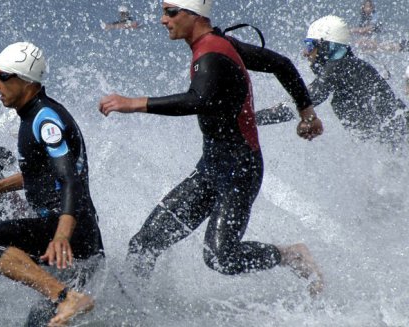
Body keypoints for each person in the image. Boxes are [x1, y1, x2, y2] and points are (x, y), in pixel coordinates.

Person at [98, 0, 324, 295]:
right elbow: (281, 63)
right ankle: (133, 309)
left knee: (220, 257)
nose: (163, 20)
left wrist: (135, 103)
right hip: (211, 169)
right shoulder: (220, 44)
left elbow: (198, 99)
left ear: (194, 15)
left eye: (170, 12)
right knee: (145, 243)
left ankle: (290, 255)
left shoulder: (212, 53)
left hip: (240, 172)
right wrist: (307, 113)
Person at [0, 42, 105, 326]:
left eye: (2, 77)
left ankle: (66, 297)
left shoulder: (45, 119)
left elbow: (69, 178)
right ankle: (66, 297)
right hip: (79, 237)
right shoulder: (34, 114)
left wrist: (61, 236)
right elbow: (43, 174)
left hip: (67, 234)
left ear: (25, 81)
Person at [256, 16, 408, 149]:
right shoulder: (350, 66)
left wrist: (250, 118)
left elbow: (303, 102)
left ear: (324, 46)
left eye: (309, 45)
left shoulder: (339, 68)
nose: (305, 53)